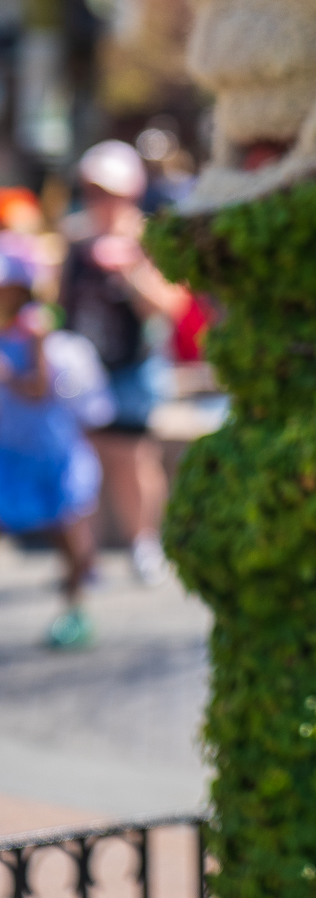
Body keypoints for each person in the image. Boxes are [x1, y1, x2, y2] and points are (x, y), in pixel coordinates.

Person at [59, 140, 190, 586]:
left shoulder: (147, 238)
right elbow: (61, 302)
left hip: (132, 367)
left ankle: (143, 545)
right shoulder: (74, 238)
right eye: (93, 191)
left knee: (133, 458)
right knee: (84, 461)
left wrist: (130, 273)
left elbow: (172, 307)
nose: (101, 201)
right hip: (84, 369)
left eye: (109, 192)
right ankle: (84, 559)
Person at [0, 251, 104, 647]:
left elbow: (38, 389)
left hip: (48, 446)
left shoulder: (34, 329)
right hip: (11, 445)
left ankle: (76, 610)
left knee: (69, 533)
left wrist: (8, 378)